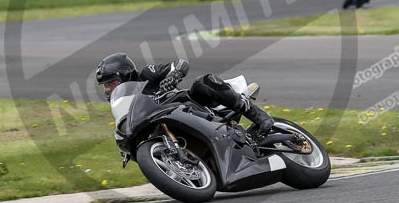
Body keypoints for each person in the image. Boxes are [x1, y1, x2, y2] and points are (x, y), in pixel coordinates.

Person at [95, 53, 274, 141]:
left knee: (202, 82)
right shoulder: (125, 107)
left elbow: (179, 64)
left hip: (188, 105)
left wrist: (172, 77)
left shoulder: (146, 75)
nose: (108, 90)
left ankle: (260, 117)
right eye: (106, 86)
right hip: (167, 126)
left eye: (111, 83)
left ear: (125, 75)